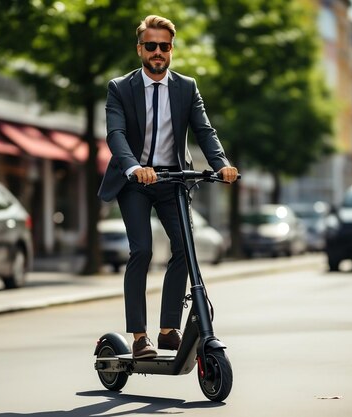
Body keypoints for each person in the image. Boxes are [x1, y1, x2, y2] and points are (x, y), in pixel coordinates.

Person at [98, 15, 238, 359]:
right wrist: (133, 167)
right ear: (140, 49)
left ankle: (167, 329)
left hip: (173, 179)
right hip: (135, 181)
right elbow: (115, 134)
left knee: (184, 250)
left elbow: (204, 130)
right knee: (142, 250)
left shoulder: (186, 87)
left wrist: (221, 164)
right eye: (151, 46)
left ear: (171, 49)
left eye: (164, 46)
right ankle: (140, 336)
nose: (158, 52)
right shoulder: (120, 88)